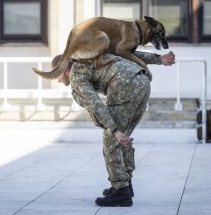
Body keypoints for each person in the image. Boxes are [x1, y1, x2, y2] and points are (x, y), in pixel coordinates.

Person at [51, 51, 175, 207]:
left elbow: (95, 105)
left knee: (112, 139)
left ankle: (120, 192)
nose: (56, 80)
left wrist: (113, 130)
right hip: (142, 80)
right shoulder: (90, 55)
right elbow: (125, 51)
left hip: (125, 85)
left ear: (62, 70)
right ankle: (125, 184)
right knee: (122, 138)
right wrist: (158, 59)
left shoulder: (76, 75)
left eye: (55, 75)